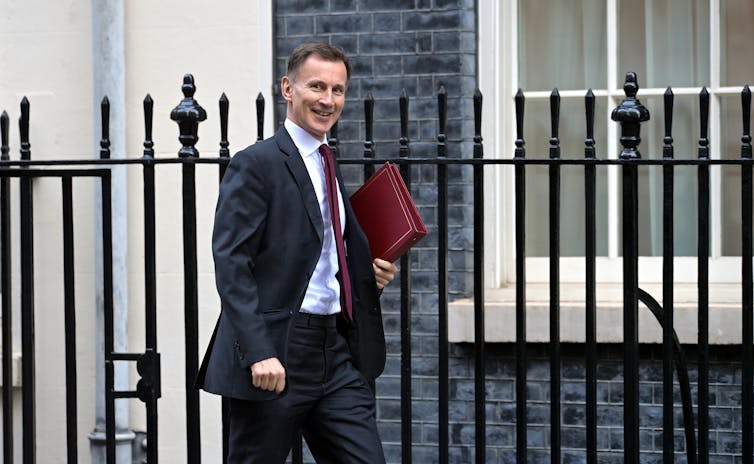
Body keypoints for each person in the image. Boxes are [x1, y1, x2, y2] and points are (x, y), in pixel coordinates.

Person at [196, 42, 398, 463]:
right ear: (288, 88)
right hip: (277, 355)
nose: (328, 100)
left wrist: (367, 273)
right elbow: (232, 263)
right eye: (317, 87)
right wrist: (259, 351)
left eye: (338, 90)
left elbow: (322, 252)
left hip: (336, 352)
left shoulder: (328, 161)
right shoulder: (257, 164)